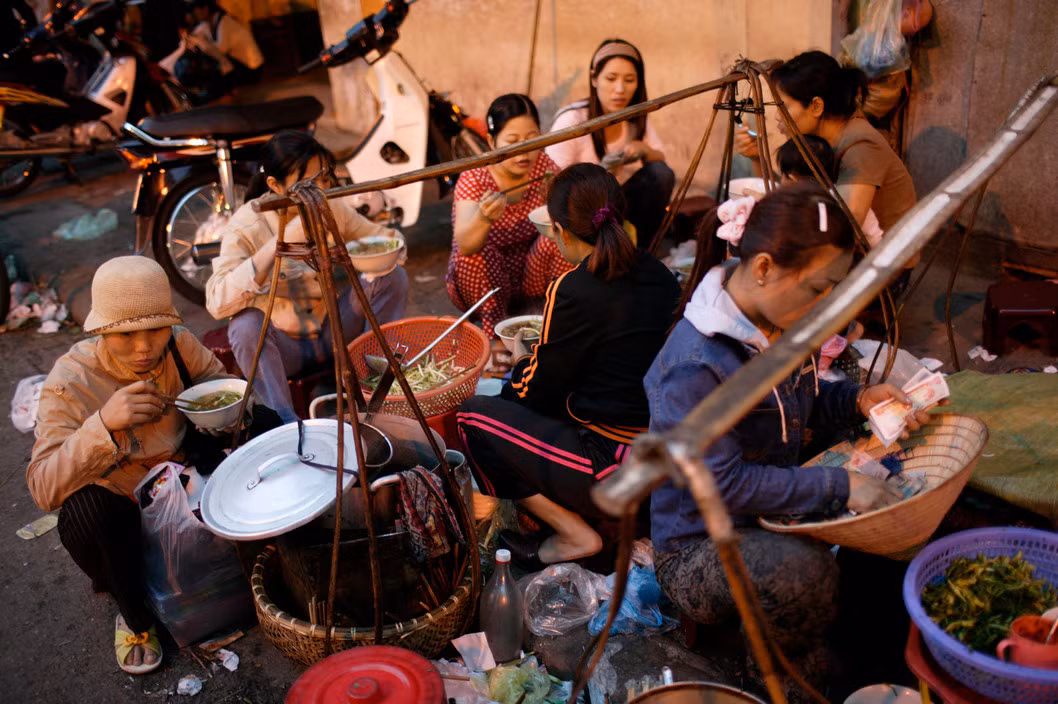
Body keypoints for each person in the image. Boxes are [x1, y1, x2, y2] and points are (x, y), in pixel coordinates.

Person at [646, 182, 936, 701]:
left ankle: (867, 660)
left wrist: (859, 401)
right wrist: (840, 486)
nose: (827, 305)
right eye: (819, 288)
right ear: (762, 268)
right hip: (698, 548)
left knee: (900, 517)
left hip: (774, 510)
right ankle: (779, 688)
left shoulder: (780, 325)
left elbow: (803, 407)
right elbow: (723, 486)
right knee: (798, 572)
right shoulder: (696, 364)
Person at [457, 163, 681, 567]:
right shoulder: (660, 275)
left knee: (474, 418)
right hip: (662, 449)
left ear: (559, 231)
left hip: (614, 463)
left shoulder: (572, 288)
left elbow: (538, 390)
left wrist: (520, 369)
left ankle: (573, 533)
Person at [26, 257, 233, 675]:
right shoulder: (71, 380)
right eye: (125, 334)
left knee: (261, 422)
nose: (144, 348)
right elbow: (42, 487)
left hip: (185, 492)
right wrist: (103, 425)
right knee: (85, 512)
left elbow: (220, 386)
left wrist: (222, 418)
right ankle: (135, 616)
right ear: (101, 331)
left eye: (156, 329)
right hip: (125, 519)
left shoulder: (179, 344)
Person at [206, 130, 409, 424]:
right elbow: (217, 302)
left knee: (392, 276)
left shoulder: (328, 205)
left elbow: (387, 239)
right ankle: (285, 422)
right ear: (274, 185)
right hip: (285, 349)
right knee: (245, 325)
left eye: (323, 179)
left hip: (334, 331)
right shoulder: (246, 225)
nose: (320, 191)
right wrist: (277, 245)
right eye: (307, 185)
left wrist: (373, 255)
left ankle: (377, 387)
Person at [736, 51, 917, 289]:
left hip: (883, 268)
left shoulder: (860, 146)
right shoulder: (818, 141)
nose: (778, 117)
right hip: (850, 251)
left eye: (784, 106)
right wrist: (756, 157)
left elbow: (845, 228)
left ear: (816, 106)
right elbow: (790, 191)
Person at [449, 94, 570, 368]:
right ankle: (495, 340)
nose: (524, 152)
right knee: (472, 255)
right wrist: (483, 217)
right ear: (492, 142)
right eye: (512, 142)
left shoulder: (544, 167)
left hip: (531, 277)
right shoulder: (475, 177)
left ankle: (553, 319)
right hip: (485, 283)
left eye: (532, 139)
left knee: (561, 235)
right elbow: (465, 245)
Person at [546, 39, 675, 246]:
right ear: (594, 79)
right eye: (611, 78)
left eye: (629, 80)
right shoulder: (573, 120)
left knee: (660, 173)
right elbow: (554, 182)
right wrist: (600, 174)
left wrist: (643, 150)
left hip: (615, 204)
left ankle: (642, 249)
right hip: (581, 209)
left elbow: (660, 157)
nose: (620, 89)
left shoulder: (634, 116)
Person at [162, 0, 263, 100]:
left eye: (195, 10)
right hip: (237, 65)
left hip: (251, 69)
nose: (194, 14)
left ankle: (207, 96)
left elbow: (220, 49)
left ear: (205, 9)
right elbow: (194, 38)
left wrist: (199, 41)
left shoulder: (226, 22)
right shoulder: (208, 23)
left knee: (213, 64)